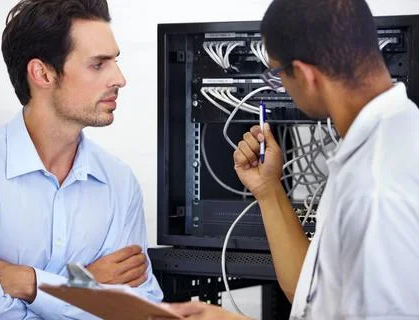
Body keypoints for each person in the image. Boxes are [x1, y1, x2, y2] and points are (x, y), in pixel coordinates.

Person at [163, 0, 419, 319]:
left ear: (305, 74)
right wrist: (268, 190)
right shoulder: (391, 141)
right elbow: (310, 296)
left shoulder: (376, 188)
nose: (279, 84)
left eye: (277, 74)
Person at [0, 0, 163, 319]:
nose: (120, 78)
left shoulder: (119, 182)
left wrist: (29, 282)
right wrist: (86, 285)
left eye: (115, 61)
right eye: (98, 64)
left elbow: (139, 311)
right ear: (42, 73)